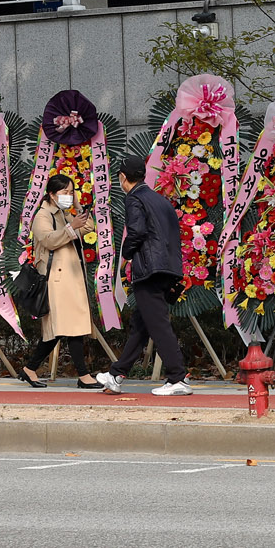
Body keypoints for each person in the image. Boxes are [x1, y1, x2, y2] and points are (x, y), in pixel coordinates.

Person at [96, 156, 190, 396]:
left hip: (149, 269)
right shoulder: (161, 200)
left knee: (157, 324)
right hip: (167, 267)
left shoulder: (134, 198)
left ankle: (178, 377)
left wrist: (126, 254)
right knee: (142, 324)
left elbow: (137, 232)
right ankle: (117, 375)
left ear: (123, 178)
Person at [21, 174, 102, 389]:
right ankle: (83, 376)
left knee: (63, 328)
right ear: (51, 193)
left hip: (69, 279)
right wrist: (70, 227)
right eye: (65, 192)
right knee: (67, 327)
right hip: (56, 280)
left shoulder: (64, 213)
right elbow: (48, 240)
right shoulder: (43, 215)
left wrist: (76, 206)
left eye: (71, 192)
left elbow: (88, 227)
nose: (68, 196)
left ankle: (30, 368)